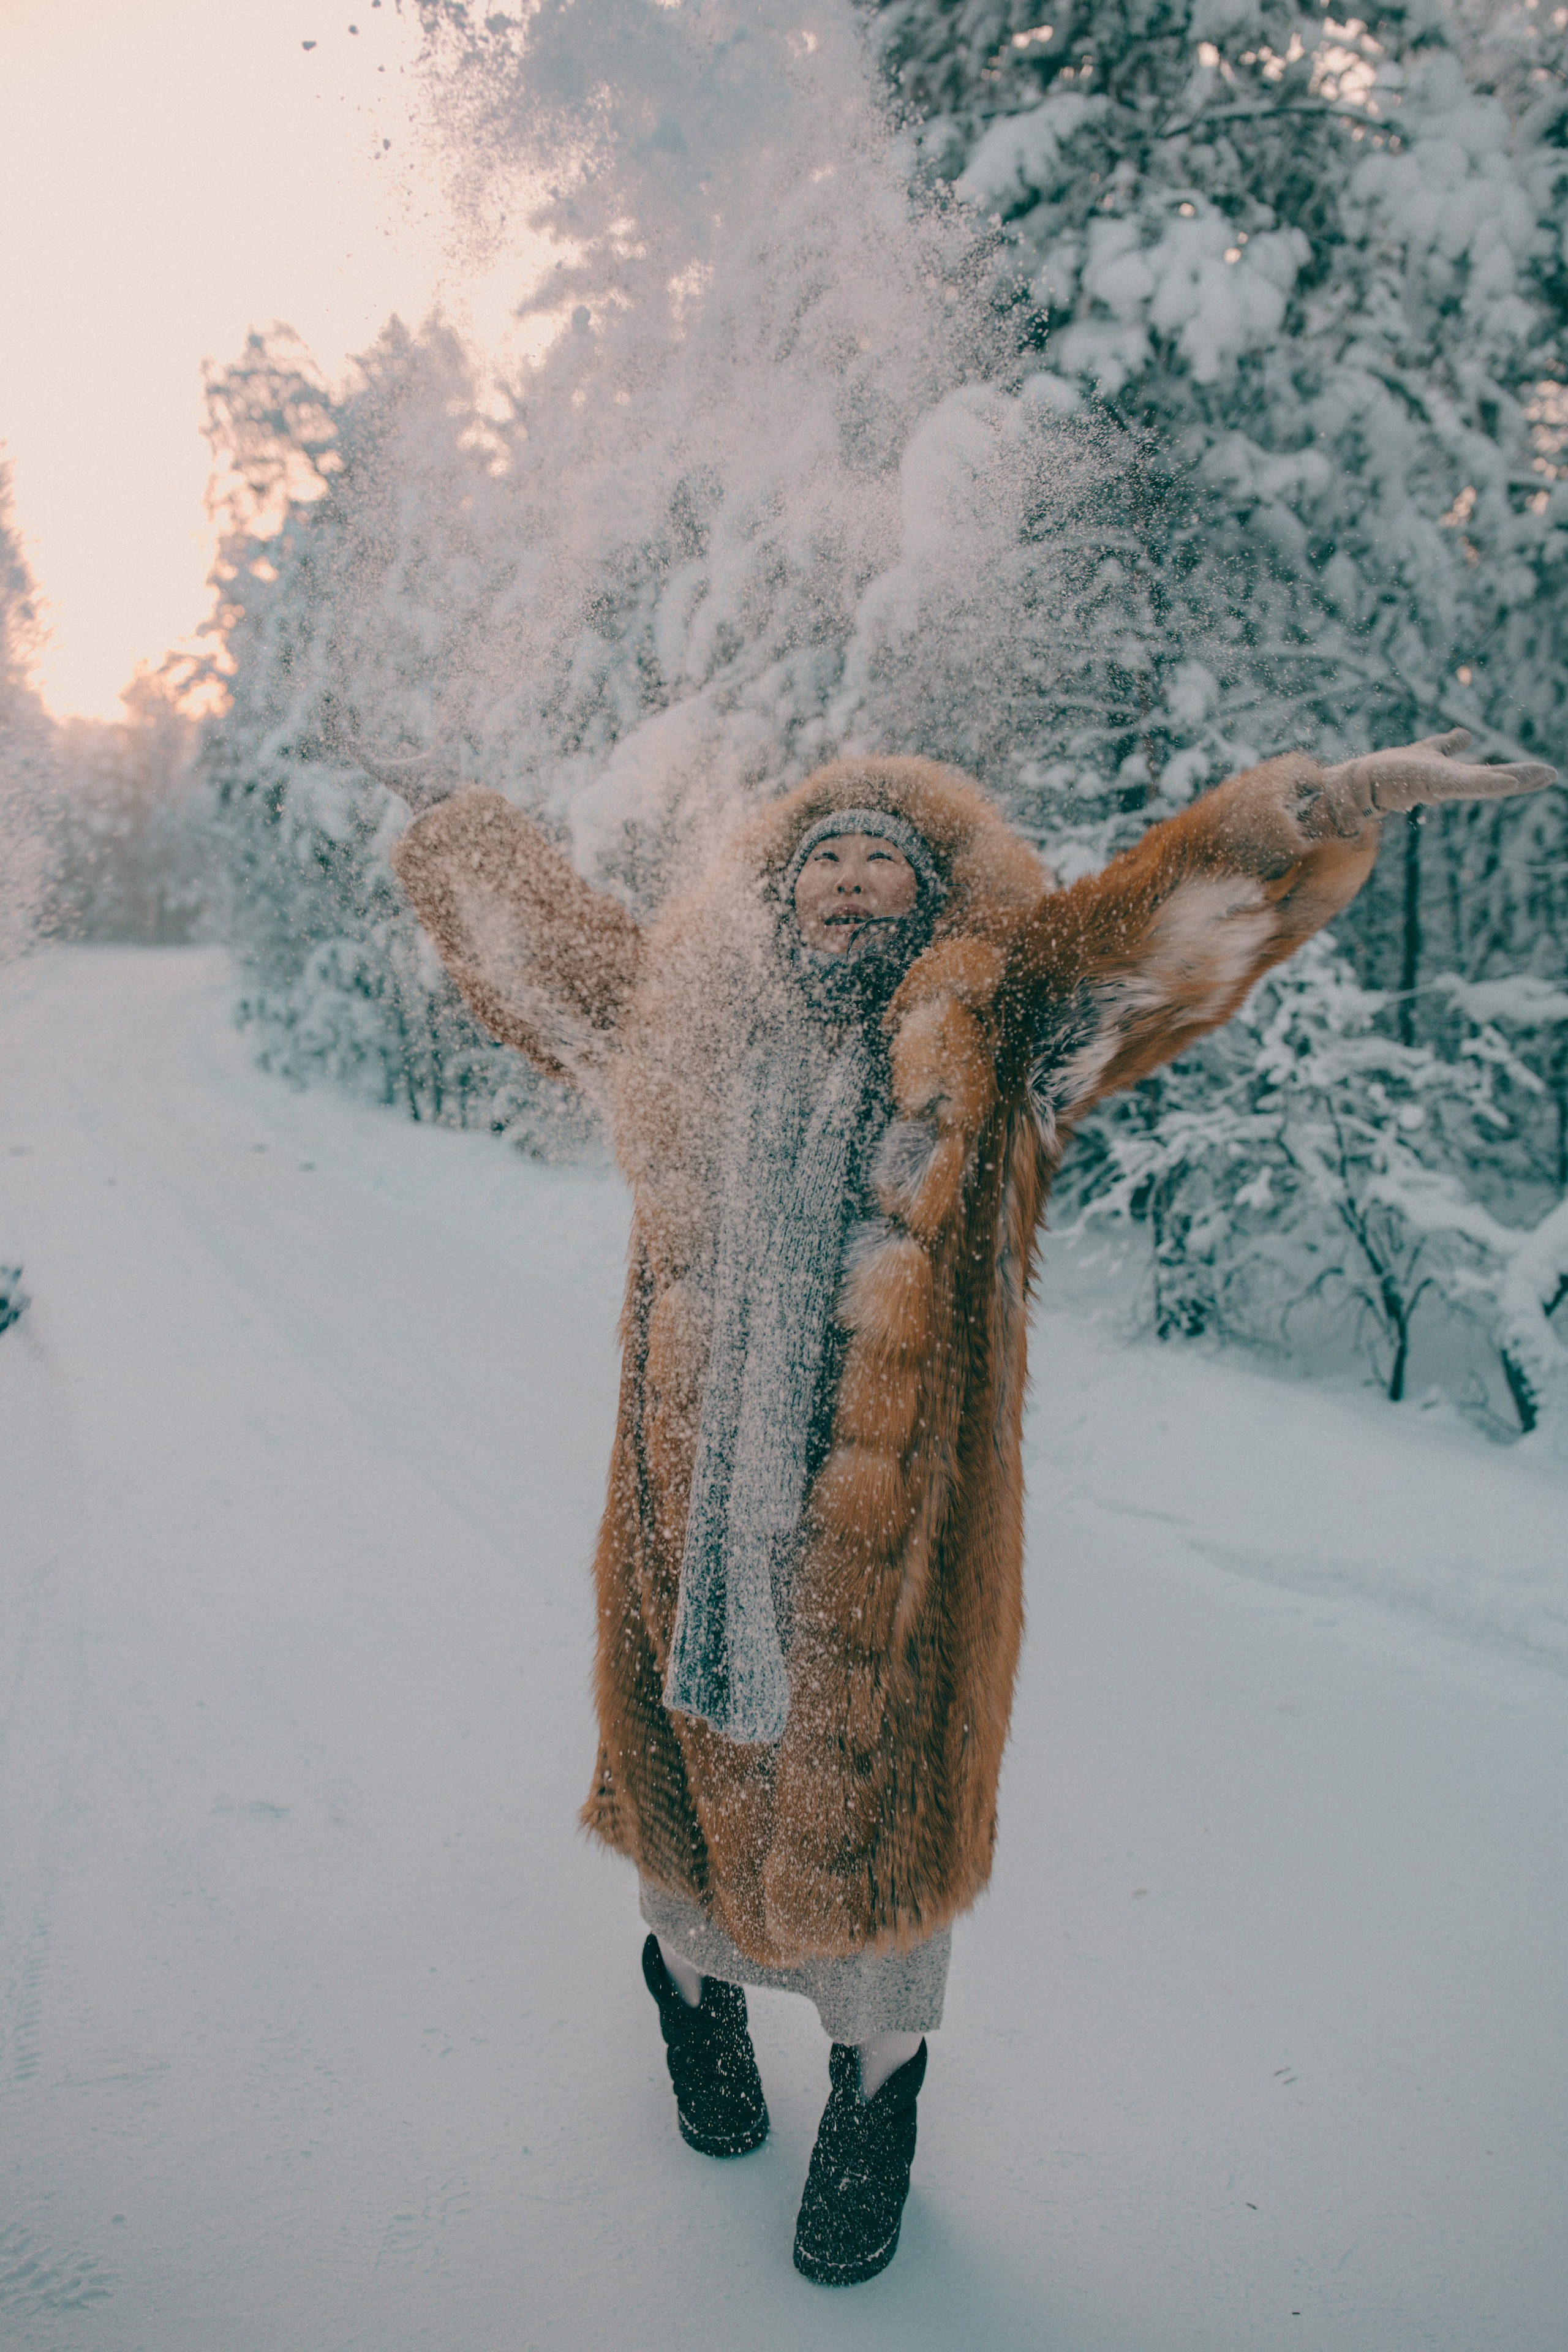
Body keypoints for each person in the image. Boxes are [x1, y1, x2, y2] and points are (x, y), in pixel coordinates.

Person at [344, 723, 1553, 2285]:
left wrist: (1316, 811)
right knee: (683, 1806)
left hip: (888, 1560)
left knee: (878, 1841)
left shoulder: (1005, 1038)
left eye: (880, 864)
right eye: (823, 860)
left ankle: (875, 2101)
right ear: (781, 896)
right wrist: (453, 828)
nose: (849, 882)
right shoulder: (685, 1029)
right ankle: (688, 1993)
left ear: (922, 901)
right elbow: (541, 952)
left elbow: (1160, 933)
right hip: (694, 1524)